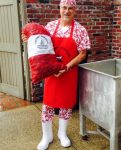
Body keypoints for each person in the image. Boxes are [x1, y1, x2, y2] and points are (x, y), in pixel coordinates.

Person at [22, 0, 91, 149]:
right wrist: (29, 39)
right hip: (52, 74)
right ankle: (47, 137)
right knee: (47, 106)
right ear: (59, 9)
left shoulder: (80, 30)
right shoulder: (50, 27)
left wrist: (66, 67)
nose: (67, 11)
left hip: (69, 73)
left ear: (75, 10)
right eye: (64, 8)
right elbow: (40, 44)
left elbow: (82, 54)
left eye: (70, 8)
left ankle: (62, 134)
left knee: (66, 105)